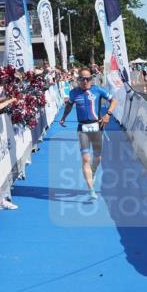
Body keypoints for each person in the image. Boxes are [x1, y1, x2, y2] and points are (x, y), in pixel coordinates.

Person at [59, 68, 117, 201]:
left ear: (91, 79)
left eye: (88, 79)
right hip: (82, 129)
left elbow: (114, 101)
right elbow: (69, 105)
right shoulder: (74, 93)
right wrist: (63, 117)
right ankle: (91, 189)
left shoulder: (98, 90)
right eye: (82, 79)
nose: (85, 81)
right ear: (78, 80)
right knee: (85, 159)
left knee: (97, 158)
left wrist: (108, 114)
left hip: (97, 127)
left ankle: (93, 171)